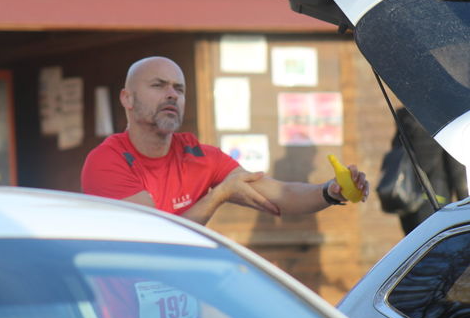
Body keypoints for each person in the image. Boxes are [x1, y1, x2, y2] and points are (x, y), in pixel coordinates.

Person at [81, 56, 369, 225]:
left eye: (179, 89)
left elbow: (282, 195)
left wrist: (331, 192)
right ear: (127, 98)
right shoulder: (107, 161)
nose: (172, 94)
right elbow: (158, 235)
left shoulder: (200, 156)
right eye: (158, 85)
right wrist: (218, 195)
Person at [383, 108, 468, 234]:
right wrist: (466, 204)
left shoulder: (404, 116)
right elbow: (456, 169)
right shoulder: (443, 121)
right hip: (435, 200)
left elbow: (398, 153)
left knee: (416, 248)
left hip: (408, 198)